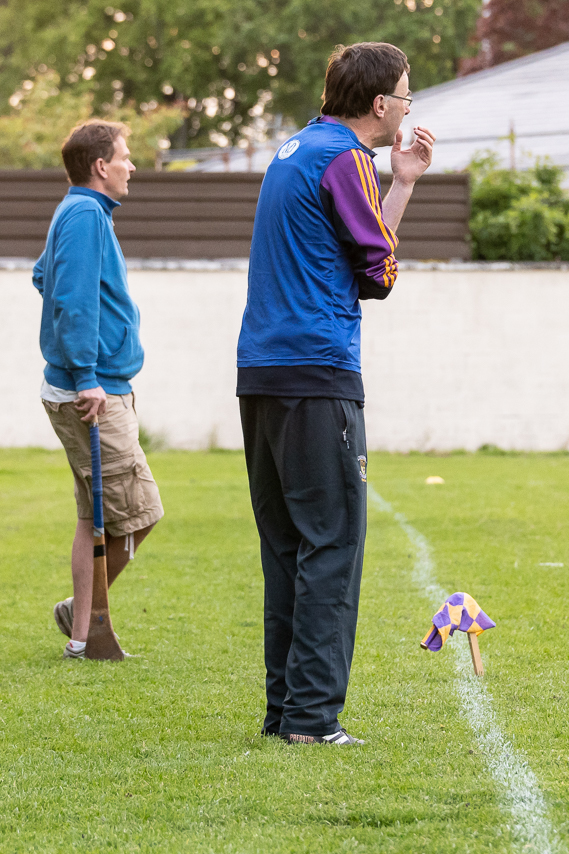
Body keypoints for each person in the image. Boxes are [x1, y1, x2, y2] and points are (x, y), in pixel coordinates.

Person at [237, 42, 435, 744]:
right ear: (379, 103)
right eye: (406, 94)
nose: (409, 106)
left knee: (288, 548)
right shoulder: (346, 158)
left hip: (260, 375)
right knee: (330, 545)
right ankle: (313, 721)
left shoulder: (295, 150)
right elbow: (375, 271)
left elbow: (349, 256)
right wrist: (400, 189)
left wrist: (401, 181)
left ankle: (284, 714)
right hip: (316, 376)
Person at [33, 120, 164, 659]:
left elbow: (46, 277)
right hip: (91, 392)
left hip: (88, 386)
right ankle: (84, 616)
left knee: (94, 517)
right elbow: (73, 297)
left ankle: (83, 631)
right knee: (141, 511)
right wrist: (86, 373)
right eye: (125, 157)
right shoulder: (86, 214)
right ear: (100, 166)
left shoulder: (79, 211)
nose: (132, 166)